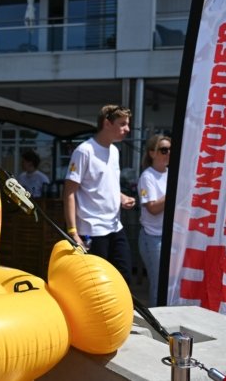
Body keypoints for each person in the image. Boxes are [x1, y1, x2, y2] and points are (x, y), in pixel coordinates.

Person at [63, 105, 136, 283]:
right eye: (123, 124)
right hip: (92, 230)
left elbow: (106, 185)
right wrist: (73, 232)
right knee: (97, 284)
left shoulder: (114, 151)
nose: (127, 129)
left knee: (124, 278)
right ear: (107, 123)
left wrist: (122, 197)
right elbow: (68, 193)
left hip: (115, 226)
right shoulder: (84, 151)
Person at [137, 134, 170, 307]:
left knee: (167, 284)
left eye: (170, 149)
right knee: (158, 284)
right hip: (153, 237)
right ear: (152, 153)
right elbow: (153, 208)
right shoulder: (147, 177)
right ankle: (158, 325)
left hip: (170, 236)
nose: (168, 153)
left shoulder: (171, 174)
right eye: (164, 150)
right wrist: (171, 192)